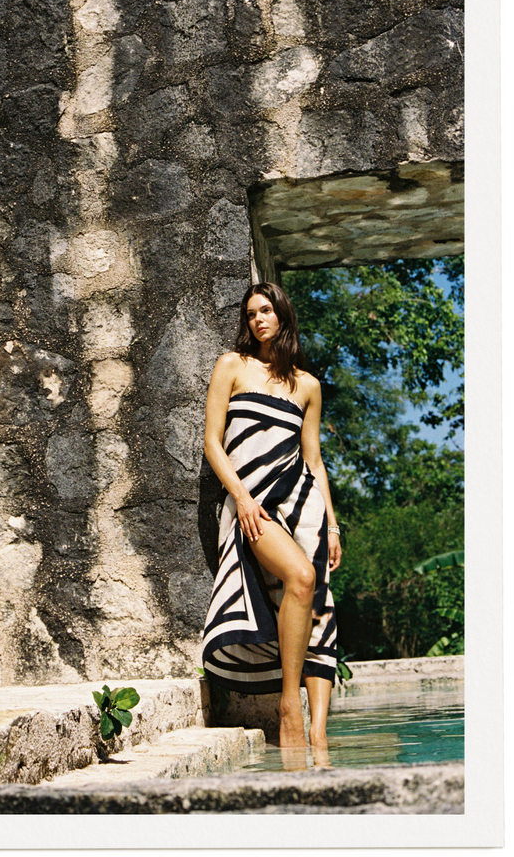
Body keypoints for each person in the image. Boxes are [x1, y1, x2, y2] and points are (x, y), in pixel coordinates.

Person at [200, 281, 342, 765]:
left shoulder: (308, 386)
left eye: (266, 310)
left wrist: (333, 526)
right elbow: (213, 442)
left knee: (319, 607)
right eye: (251, 313)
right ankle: (288, 705)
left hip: (304, 504)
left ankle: (319, 737)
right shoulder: (232, 366)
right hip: (253, 504)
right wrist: (240, 497)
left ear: (283, 315)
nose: (258, 319)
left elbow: (314, 460)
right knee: (301, 578)